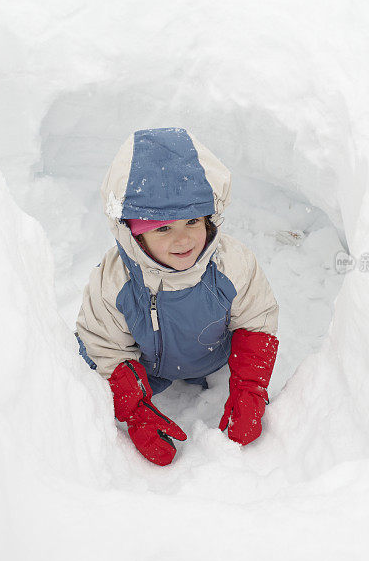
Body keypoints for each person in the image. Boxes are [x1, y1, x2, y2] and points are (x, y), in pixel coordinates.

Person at [76, 127, 279, 466]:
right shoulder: (114, 281)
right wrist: (136, 411)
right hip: (148, 368)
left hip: (215, 358)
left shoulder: (232, 264)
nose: (183, 239)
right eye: (163, 228)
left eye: (192, 221)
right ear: (135, 233)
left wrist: (250, 388)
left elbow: (257, 320)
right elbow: (103, 347)